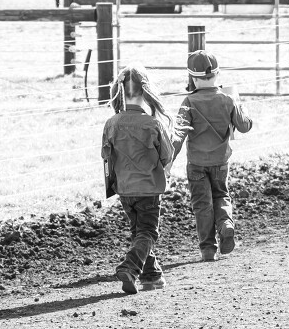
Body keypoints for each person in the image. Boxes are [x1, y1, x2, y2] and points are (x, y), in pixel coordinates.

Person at [100, 65, 176, 295]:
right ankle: (130, 267)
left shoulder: (111, 123)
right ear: (146, 92)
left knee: (139, 233)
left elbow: (106, 156)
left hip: (124, 189)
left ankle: (151, 276)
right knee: (148, 233)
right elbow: (167, 156)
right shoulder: (152, 124)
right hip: (148, 188)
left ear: (120, 91)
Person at [172, 50, 253, 261]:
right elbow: (244, 127)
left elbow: (178, 135)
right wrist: (242, 108)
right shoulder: (228, 99)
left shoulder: (188, 102)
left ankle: (208, 249)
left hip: (196, 163)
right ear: (217, 74)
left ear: (192, 78)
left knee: (202, 204)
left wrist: (168, 162)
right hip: (220, 161)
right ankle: (225, 224)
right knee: (221, 195)